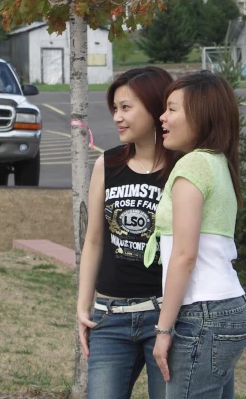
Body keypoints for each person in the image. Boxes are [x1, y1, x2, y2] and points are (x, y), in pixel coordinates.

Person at [145, 72, 246, 399]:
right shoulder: (218, 163)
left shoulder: (191, 167)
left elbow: (184, 255)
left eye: (172, 109)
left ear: (201, 115)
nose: (162, 117)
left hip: (202, 314)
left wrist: (163, 330)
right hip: (227, 308)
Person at [77, 67, 180, 399]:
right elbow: (93, 240)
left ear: (153, 107)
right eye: (115, 109)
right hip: (110, 317)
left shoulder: (183, 169)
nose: (117, 118)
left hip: (165, 317)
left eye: (126, 107)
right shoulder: (107, 165)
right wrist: (83, 306)